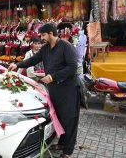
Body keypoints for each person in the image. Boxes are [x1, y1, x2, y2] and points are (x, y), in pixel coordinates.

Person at [8, 23, 80, 158]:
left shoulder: (66, 47)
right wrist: (17, 64)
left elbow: (72, 68)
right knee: (58, 117)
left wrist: (53, 76)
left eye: (43, 35)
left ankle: (68, 151)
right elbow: (33, 60)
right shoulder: (46, 49)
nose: (41, 38)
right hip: (54, 90)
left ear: (51, 33)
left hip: (68, 89)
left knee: (69, 119)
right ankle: (62, 142)